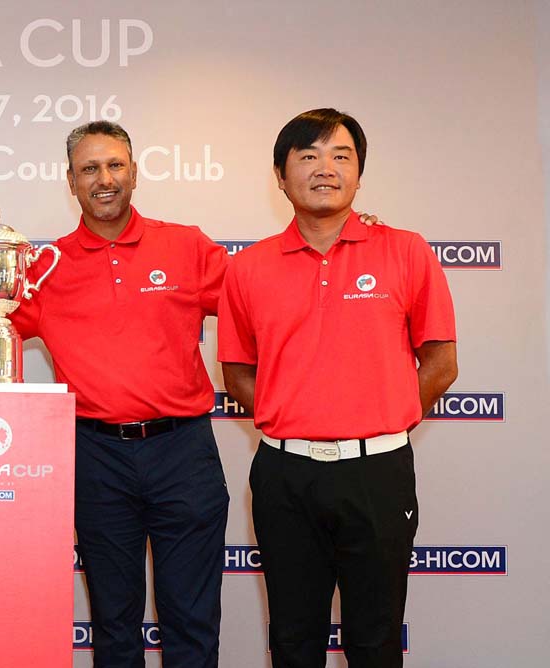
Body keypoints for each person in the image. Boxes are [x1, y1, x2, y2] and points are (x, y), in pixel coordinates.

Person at [218, 108, 458, 668]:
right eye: (307, 156)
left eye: (340, 156)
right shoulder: (248, 268)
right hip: (286, 476)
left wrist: (386, 417)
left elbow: (441, 362)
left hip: (377, 473)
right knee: (294, 640)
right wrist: (296, 419)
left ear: (359, 174)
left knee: (374, 641)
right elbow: (237, 374)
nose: (324, 168)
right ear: (280, 175)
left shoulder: (406, 251)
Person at [11, 121, 230, 667]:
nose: (103, 179)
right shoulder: (46, 267)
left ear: (134, 172)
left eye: (114, 166)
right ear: (70, 182)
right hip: (95, 455)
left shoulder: (187, 245)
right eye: (89, 169)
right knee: (114, 622)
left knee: (192, 619)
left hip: (184, 451)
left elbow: (264, 299)